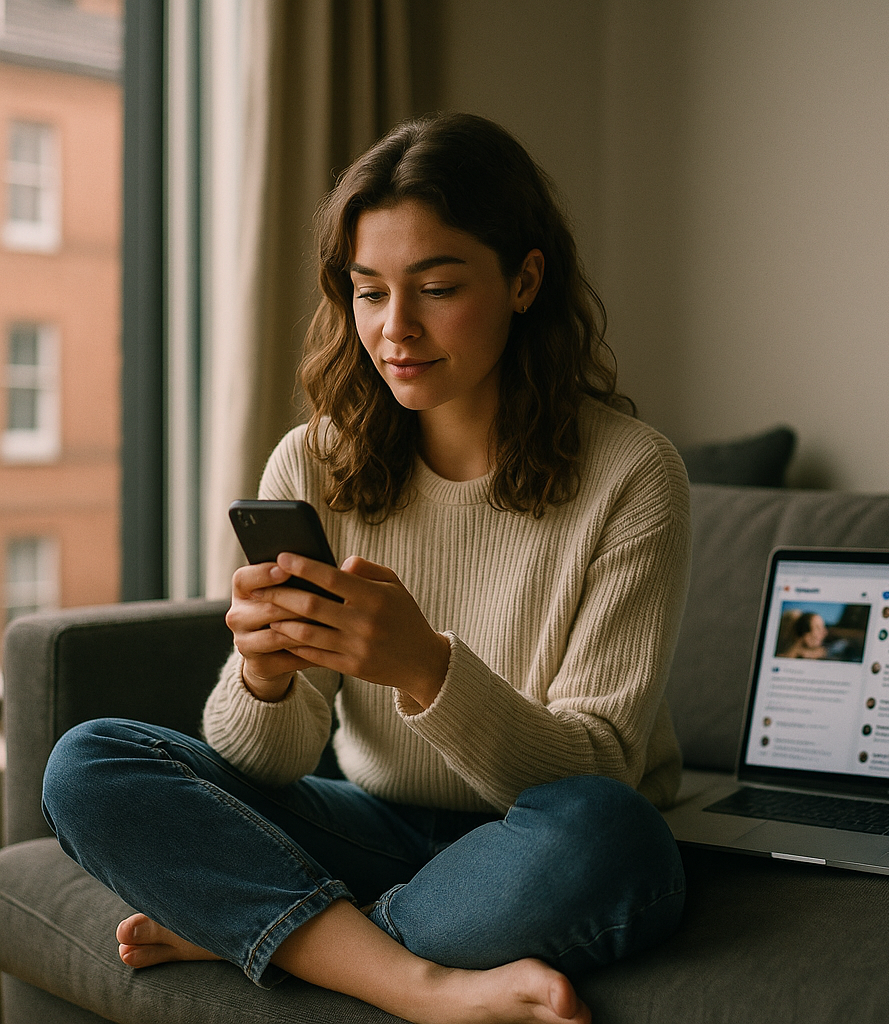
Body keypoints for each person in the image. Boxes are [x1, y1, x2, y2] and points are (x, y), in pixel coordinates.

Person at [41, 112, 690, 1024]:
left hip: (535, 843)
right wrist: (264, 678)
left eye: (435, 287)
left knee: (614, 837)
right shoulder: (314, 463)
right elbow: (265, 766)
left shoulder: (633, 475)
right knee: (88, 761)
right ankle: (410, 981)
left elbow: (601, 769)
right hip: (371, 828)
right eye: (370, 291)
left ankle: (272, 925)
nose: (396, 329)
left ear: (524, 280)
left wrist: (424, 667)